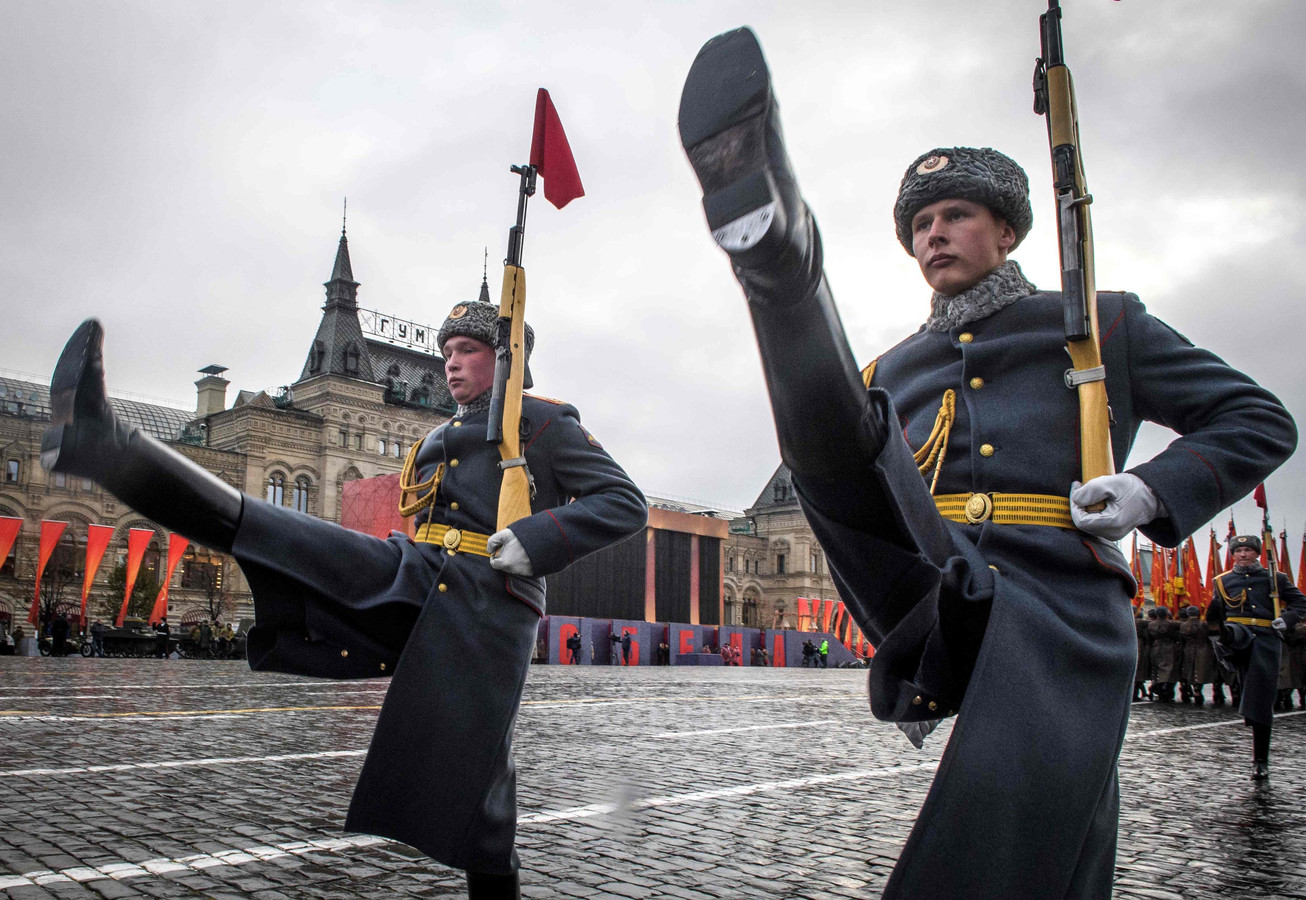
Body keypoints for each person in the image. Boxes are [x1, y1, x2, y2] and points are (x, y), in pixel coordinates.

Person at [677, 27, 1296, 898]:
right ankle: (778, 258)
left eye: (955, 215)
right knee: (834, 430)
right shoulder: (894, 369)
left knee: (1037, 805)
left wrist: (1149, 492)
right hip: (934, 583)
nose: (933, 235)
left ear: (1006, 230)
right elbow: (866, 488)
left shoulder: (1100, 322)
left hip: (1057, 599)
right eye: (920, 224)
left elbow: (1257, 418)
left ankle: (780, 258)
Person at [39, 306, 647, 899]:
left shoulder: (543, 423)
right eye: (446, 353)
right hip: (421, 577)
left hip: (486, 607)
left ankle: (104, 444)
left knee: (484, 795)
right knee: (279, 533)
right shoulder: (441, 433)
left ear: (507, 359)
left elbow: (624, 502)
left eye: (468, 352)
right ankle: (104, 443)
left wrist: (535, 541)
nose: (452, 365)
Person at [1206, 535, 1306, 779]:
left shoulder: (1275, 578)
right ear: (1232, 555)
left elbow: (1301, 603)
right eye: (1238, 550)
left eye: (1248, 550)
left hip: (1265, 638)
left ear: (1257, 553)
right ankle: (1223, 637)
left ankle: (1260, 760)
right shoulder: (1222, 581)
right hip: (1236, 634)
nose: (1242, 555)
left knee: (1261, 699)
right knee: (1231, 631)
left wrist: (1286, 619)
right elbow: (1217, 609)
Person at [1179, 605, 1215, 705]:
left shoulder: (1183, 626)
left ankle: (1193, 688)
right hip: (1202, 648)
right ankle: (1198, 689)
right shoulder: (1204, 625)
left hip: (1189, 649)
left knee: (1190, 669)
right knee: (1201, 671)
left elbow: (1182, 641)